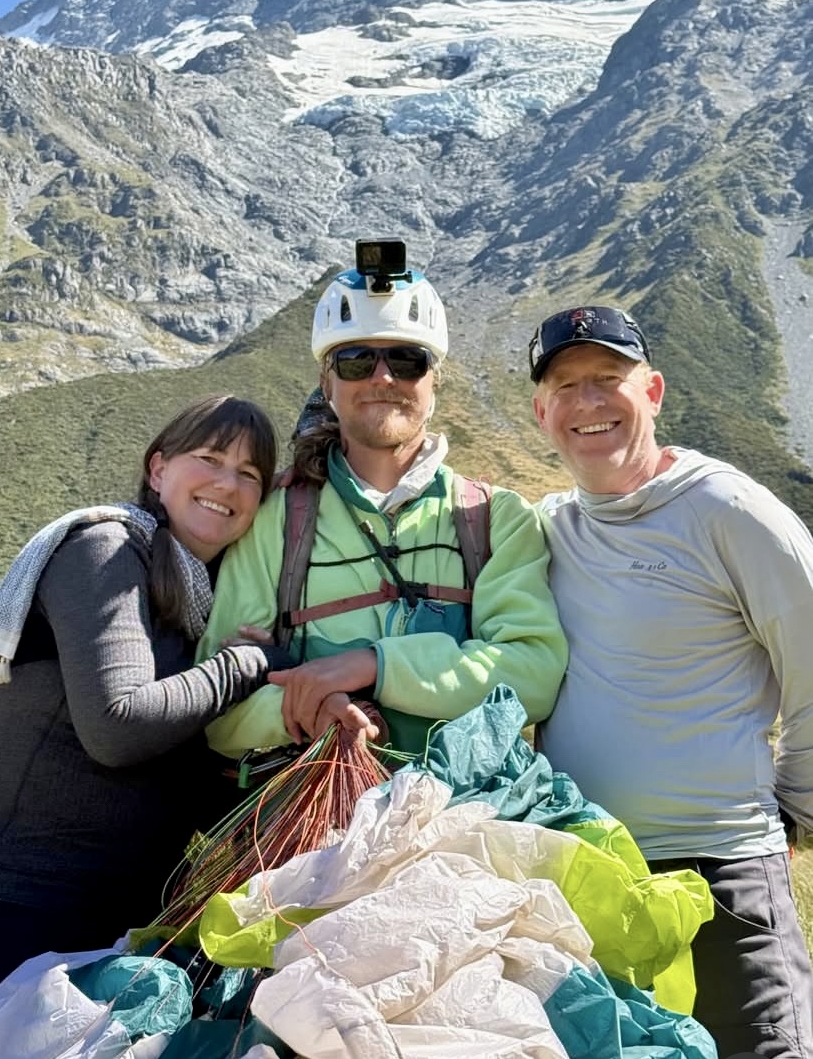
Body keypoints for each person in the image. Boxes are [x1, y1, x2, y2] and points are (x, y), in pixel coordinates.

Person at [528, 303, 813, 1059]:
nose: (589, 403)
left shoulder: (731, 511)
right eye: (567, 386)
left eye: (608, 379)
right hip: (591, 878)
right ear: (542, 411)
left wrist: (793, 813)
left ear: (652, 391)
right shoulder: (551, 528)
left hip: (724, 874)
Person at [196, 241, 568, 759]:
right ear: (326, 382)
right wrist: (304, 709)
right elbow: (219, 711)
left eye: (407, 360)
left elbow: (533, 675)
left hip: (463, 815)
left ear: (434, 382)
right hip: (314, 823)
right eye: (355, 361)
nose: (383, 378)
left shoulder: (495, 518)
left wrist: (375, 665)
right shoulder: (274, 519)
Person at [0, 394, 293, 994]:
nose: (227, 484)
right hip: (13, 907)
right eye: (208, 457)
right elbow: (117, 726)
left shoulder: (199, 600)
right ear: (158, 470)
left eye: (250, 474)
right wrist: (249, 663)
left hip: (105, 925)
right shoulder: (105, 548)